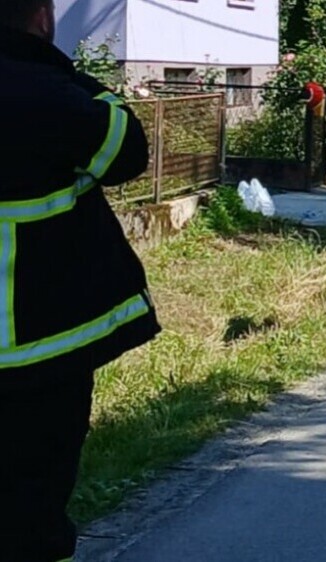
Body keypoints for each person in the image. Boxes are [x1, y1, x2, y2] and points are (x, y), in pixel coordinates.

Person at [0, 1, 162, 560]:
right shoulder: (52, 97)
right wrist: (58, 68)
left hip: (44, 349)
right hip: (45, 350)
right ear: (42, 19)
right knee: (34, 511)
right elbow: (126, 149)